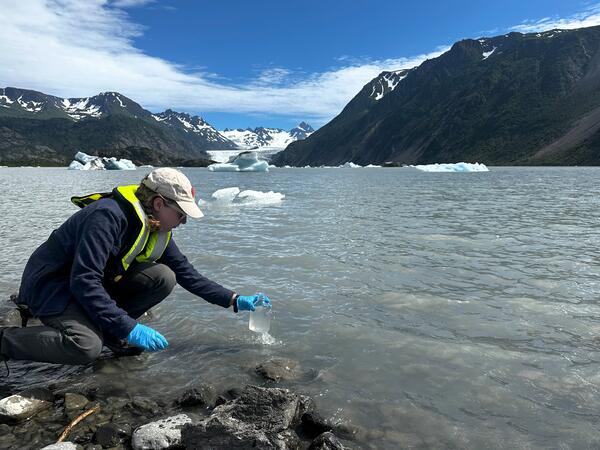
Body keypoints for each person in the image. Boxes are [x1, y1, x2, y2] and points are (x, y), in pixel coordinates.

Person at [0, 168, 271, 366]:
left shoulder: (157, 228)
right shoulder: (106, 216)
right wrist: (129, 327)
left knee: (164, 276)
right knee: (85, 348)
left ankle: (109, 332)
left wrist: (235, 300)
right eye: (180, 214)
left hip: (84, 285)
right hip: (52, 286)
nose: (183, 222)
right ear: (157, 203)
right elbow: (84, 281)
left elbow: (188, 275)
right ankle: (6, 341)